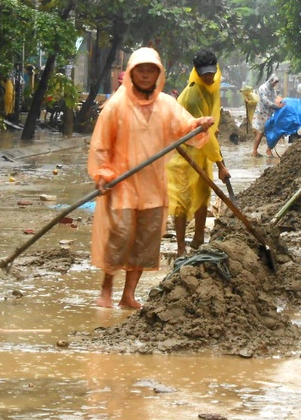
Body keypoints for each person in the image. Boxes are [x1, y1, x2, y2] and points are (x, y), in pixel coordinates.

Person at [87, 47, 213, 309]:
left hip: (153, 187)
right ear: (132, 73)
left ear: (158, 74)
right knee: (118, 239)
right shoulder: (115, 106)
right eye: (140, 70)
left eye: (151, 70)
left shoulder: (166, 104)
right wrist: (102, 174)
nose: (145, 75)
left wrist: (199, 125)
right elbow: (100, 145)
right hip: (121, 184)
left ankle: (128, 295)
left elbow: (185, 126)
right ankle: (107, 290)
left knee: (145, 243)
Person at [166, 50, 230, 257]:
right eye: (204, 74)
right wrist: (220, 164)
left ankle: (199, 239)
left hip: (201, 149)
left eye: (211, 73)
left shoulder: (213, 84)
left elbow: (210, 131)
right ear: (196, 72)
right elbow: (206, 135)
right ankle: (181, 248)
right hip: (183, 150)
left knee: (203, 192)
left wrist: (218, 161)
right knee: (182, 197)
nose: (209, 77)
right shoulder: (193, 95)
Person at [251, 73, 284, 157]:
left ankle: (268, 150)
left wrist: (279, 104)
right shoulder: (262, 88)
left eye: (276, 83)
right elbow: (265, 101)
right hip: (262, 113)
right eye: (274, 82)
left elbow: (274, 99)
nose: (275, 84)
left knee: (273, 131)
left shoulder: (273, 90)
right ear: (270, 80)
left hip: (270, 113)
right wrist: (276, 106)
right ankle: (255, 151)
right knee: (261, 132)